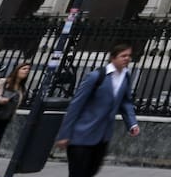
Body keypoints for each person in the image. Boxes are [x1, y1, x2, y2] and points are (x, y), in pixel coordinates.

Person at [55, 43, 140, 177]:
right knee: (78, 173)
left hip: (103, 136)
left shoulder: (126, 76)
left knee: (91, 172)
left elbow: (125, 101)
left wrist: (132, 123)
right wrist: (64, 135)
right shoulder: (96, 76)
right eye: (123, 56)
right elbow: (75, 105)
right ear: (113, 58)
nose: (127, 58)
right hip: (82, 134)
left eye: (129, 56)